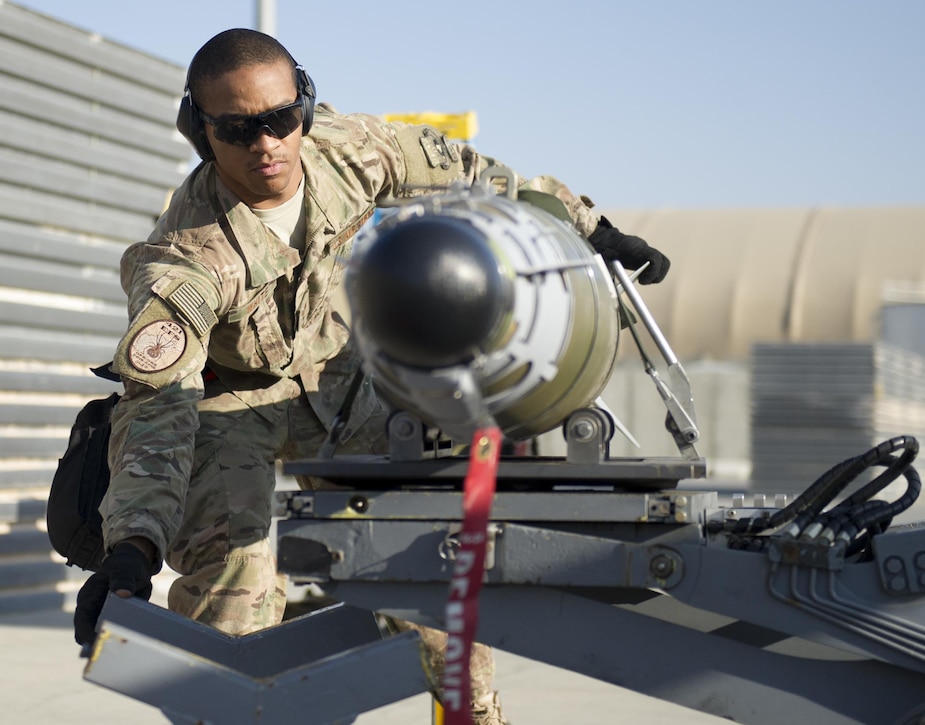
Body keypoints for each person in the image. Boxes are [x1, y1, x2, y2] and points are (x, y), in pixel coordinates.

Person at [72, 28, 670, 724]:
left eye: (279, 119)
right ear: (201, 132)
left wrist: (588, 223)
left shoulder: (348, 152)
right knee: (231, 594)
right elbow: (158, 407)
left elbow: (479, 174)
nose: (266, 143)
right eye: (237, 130)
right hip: (227, 403)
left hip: (338, 382)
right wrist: (133, 546)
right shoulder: (184, 260)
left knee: (426, 566)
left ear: (305, 105)